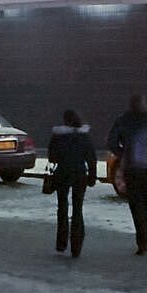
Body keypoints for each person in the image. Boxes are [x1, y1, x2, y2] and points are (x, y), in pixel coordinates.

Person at [106, 94, 147, 255]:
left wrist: (123, 154)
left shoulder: (123, 120)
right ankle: (145, 233)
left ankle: (141, 236)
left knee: (135, 203)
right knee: (146, 200)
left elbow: (111, 141)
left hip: (131, 167)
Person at [47, 109, 97, 258]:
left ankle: (61, 243)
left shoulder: (58, 136)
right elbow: (91, 157)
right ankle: (76, 246)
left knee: (62, 207)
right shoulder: (84, 136)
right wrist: (92, 175)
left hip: (62, 174)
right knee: (78, 209)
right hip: (80, 174)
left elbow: (52, 157)